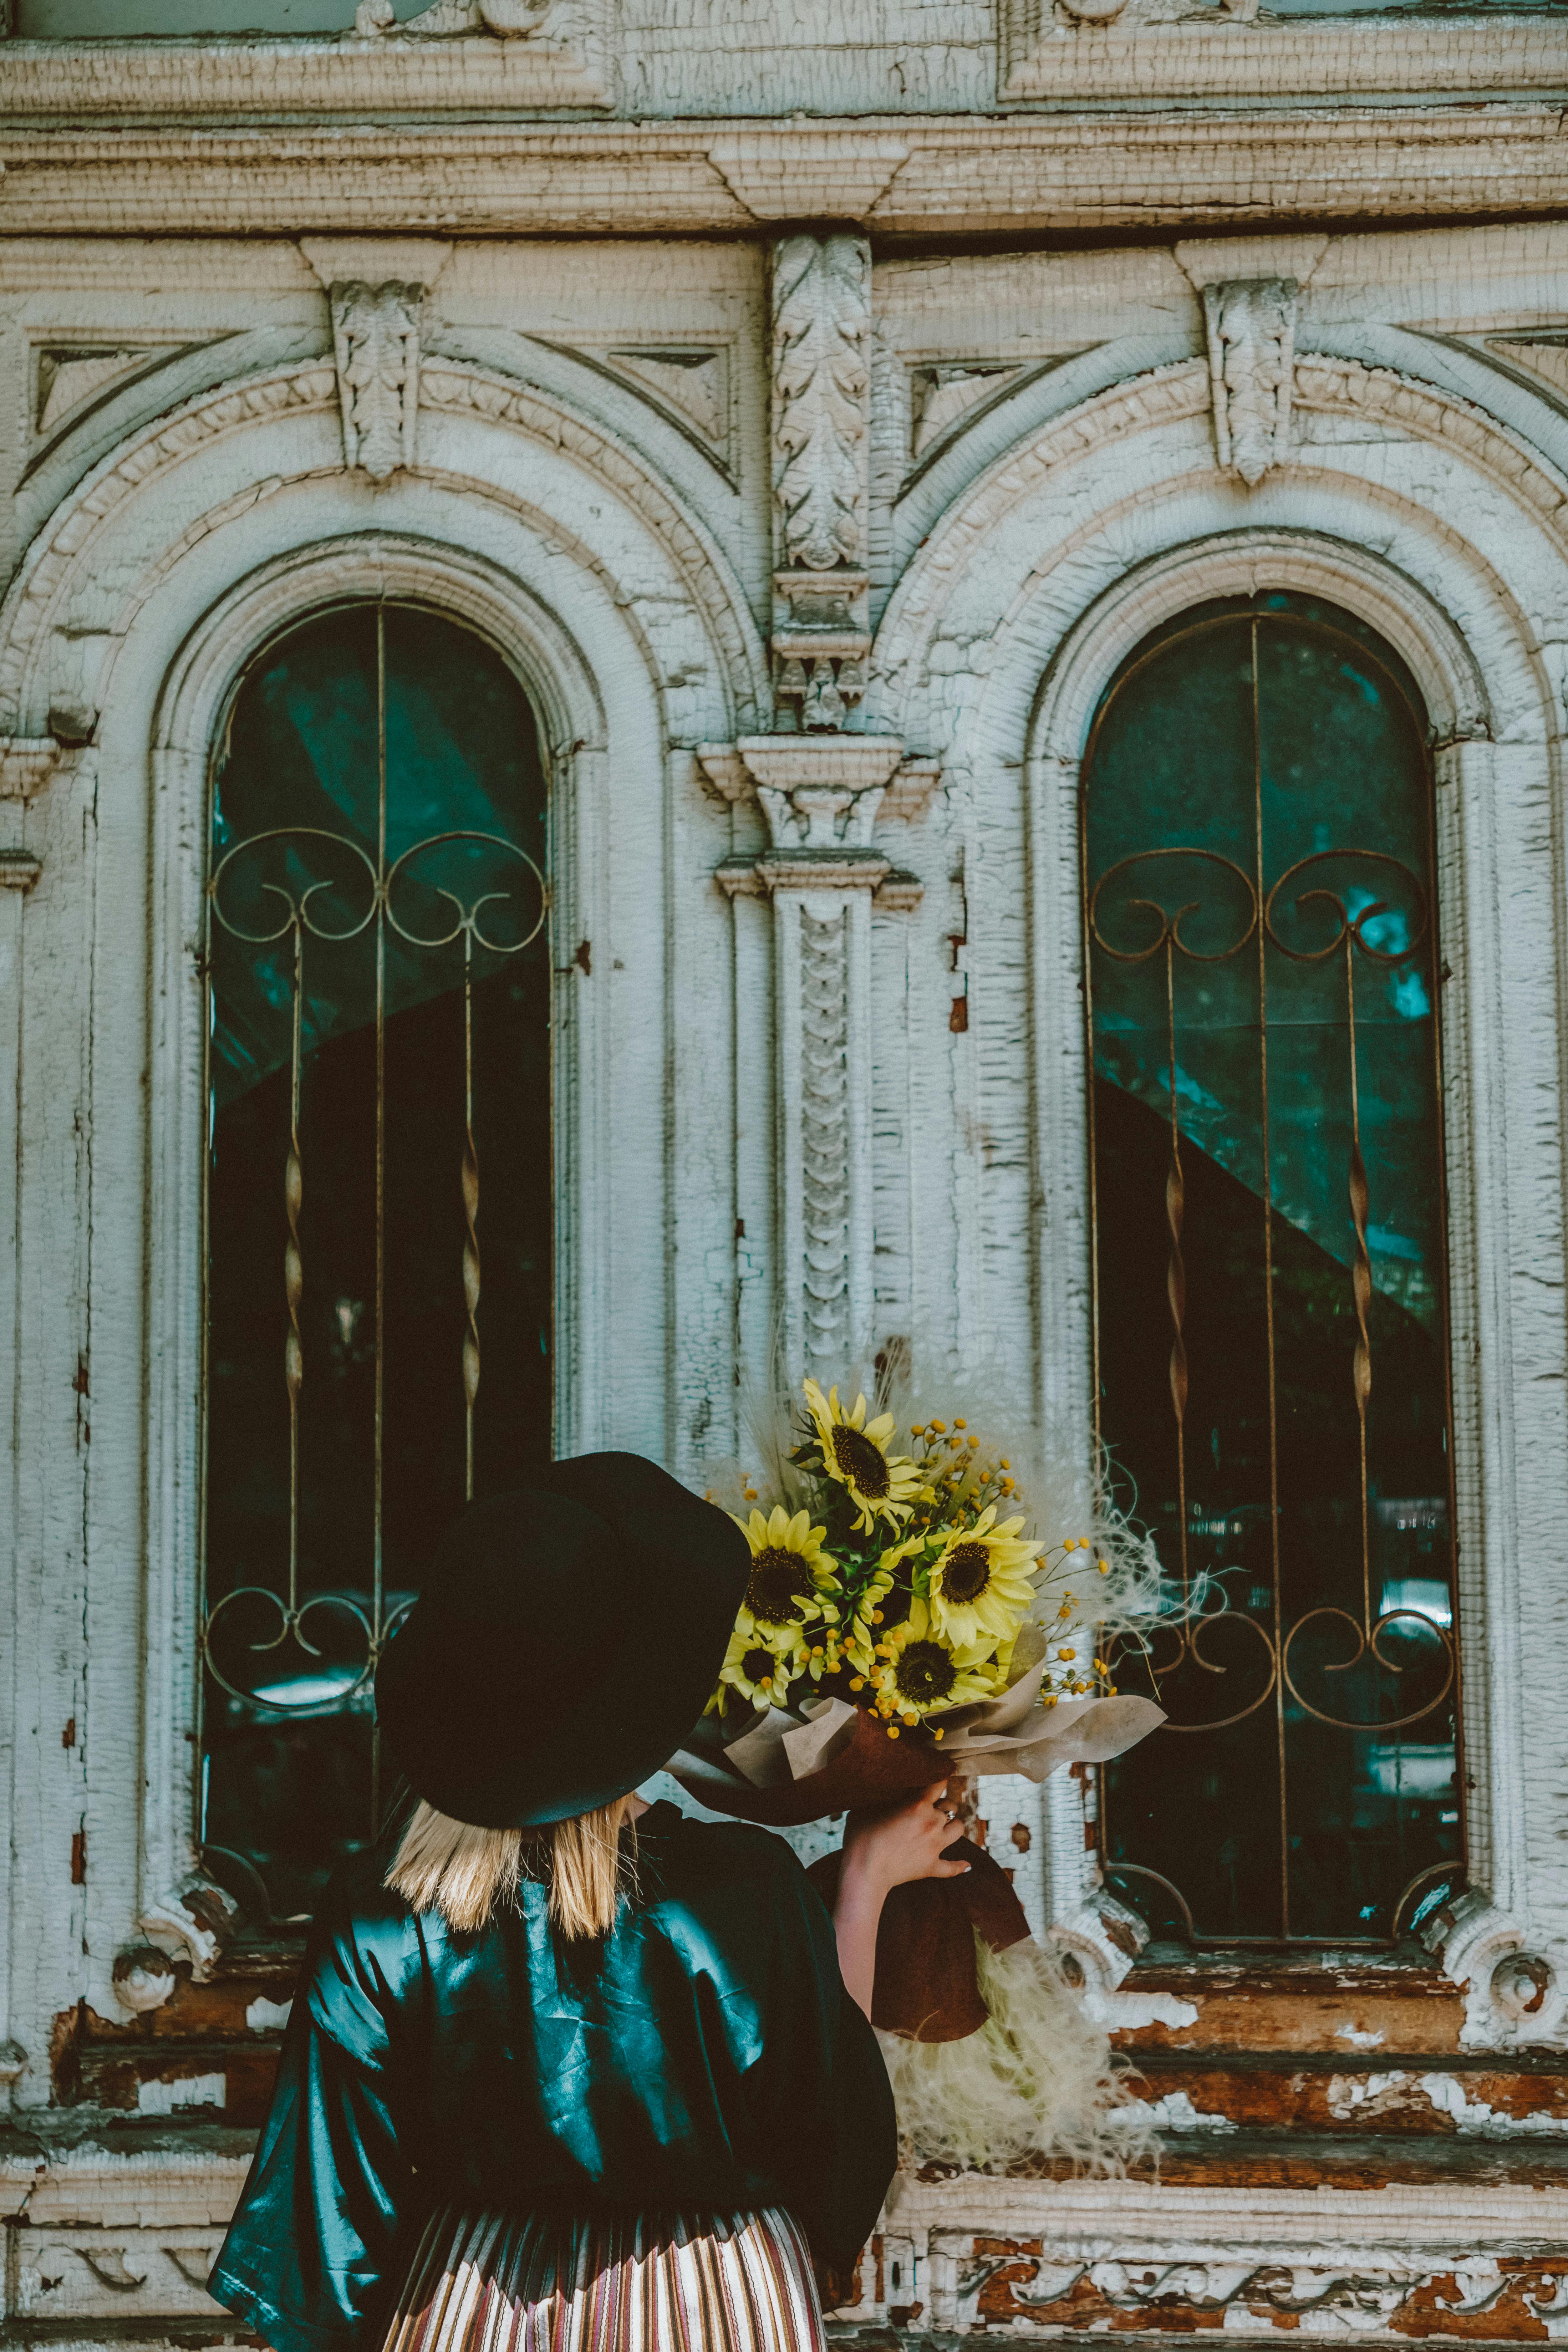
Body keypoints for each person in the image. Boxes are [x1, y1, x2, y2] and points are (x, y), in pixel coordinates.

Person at [209, 1452, 969, 2352]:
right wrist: (865, 1883)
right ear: (642, 1689)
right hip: (718, 2306)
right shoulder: (741, 1890)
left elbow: (324, 2234)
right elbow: (834, 2147)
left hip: (469, 2304)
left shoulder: (384, 1916)